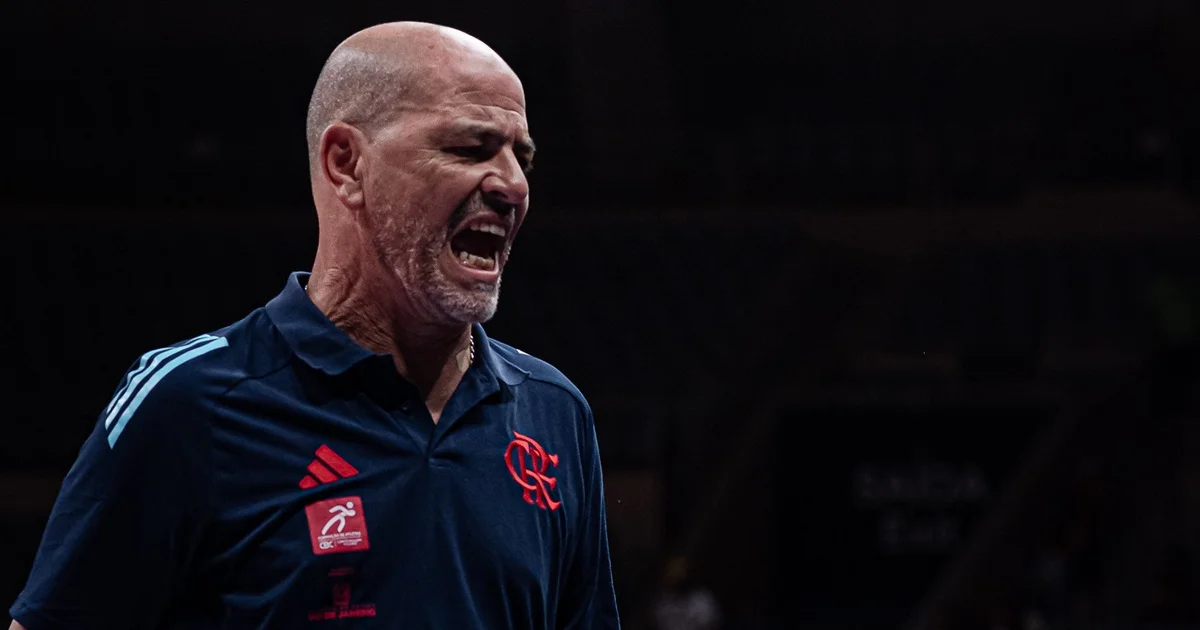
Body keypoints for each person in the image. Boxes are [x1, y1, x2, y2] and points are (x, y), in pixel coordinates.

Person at [9, 21, 620, 630]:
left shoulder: (554, 412)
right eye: (469, 148)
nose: (513, 185)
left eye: (523, 157)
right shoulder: (192, 404)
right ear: (346, 164)